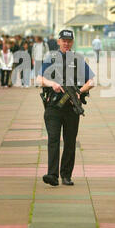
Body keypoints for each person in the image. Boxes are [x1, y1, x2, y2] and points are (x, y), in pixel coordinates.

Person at [37, 29, 95, 187]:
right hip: (53, 107)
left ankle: (66, 175)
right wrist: (52, 84)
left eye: (69, 41)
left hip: (71, 108)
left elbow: (92, 81)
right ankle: (52, 175)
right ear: (58, 41)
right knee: (53, 140)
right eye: (64, 40)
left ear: (73, 42)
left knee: (70, 142)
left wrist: (80, 92)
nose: (66, 43)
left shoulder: (78, 59)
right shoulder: (51, 58)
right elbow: (39, 79)